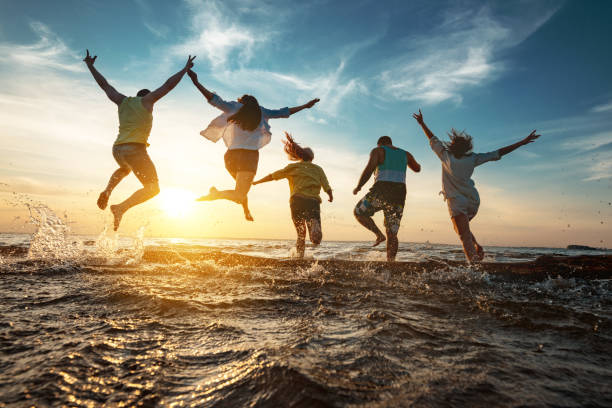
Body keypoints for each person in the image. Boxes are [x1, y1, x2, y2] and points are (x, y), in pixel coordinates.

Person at [84, 49, 196, 230]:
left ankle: (107, 191)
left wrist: (90, 66)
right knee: (153, 189)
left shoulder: (122, 101)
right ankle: (120, 208)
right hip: (135, 149)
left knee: (124, 168)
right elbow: (168, 85)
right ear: (147, 97)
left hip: (118, 149)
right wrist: (185, 69)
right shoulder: (148, 101)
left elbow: (104, 85)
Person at [186, 69, 320, 221]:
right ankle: (216, 194)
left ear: (241, 101)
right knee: (240, 192)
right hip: (249, 157)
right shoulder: (262, 112)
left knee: (241, 190)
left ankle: (245, 210)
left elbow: (213, 99)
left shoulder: (234, 107)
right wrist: (305, 106)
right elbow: (285, 112)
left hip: (231, 156)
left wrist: (196, 82)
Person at [412, 109, 540, 263]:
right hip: (473, 200)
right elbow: (498, 153)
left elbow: (432, 138)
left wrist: (422, 123)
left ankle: (474, 268)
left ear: (452, 146)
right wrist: (522, 142)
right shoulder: (473, 158)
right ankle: (477, 247)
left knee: (463, 235)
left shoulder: (445, 156)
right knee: (461, 229)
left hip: (456, 201)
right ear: (467, 148)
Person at [253, 133, 333, 258]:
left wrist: (257, 182)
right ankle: (314, 225)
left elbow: (273, 176)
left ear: (298, 155)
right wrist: (330, 194)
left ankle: (299, 258)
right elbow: (325, 184)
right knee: (316, 239)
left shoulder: (293, 167)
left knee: (301, 234)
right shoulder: (318, 169)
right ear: (312, 158)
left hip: (297, 201)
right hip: (312, 202)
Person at [353, 136, 421, 261]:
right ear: (391, 143)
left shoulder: (378, 151)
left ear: (380, 144)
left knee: (359, 212)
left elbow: (369, 169)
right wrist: (406, 161)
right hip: (399, 193)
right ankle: (391, 263)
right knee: (392, 232)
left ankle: (379, 235)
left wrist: (359, 186)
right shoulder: (406, 154)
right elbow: (417, 168)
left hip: (382, 189)